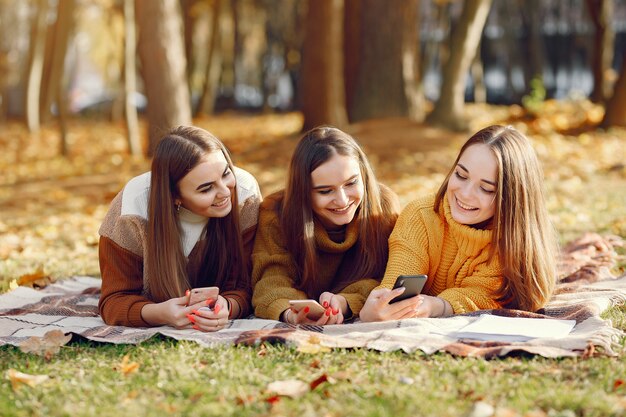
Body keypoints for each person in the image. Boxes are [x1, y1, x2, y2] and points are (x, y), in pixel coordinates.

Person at [360, 125, 558, 322]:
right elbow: (395, 287)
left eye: (486, 188)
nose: (465, 193)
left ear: (512, 199)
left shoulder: (514, 239)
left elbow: (490, 296)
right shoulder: (420, 217)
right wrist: (380, 308)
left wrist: (439, 306)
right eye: (461, 175)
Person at [98, 126, 262, 331]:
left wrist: (228, 307)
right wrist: (158, 313)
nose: (224, 191)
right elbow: (114, 301)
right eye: (206, 188)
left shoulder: (245, 195)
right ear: (174, 196)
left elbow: (246, 284)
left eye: (226, 173)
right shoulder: (131, 209)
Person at [251, 126, 400, 325]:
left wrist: (345, 302)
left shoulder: (384, 206)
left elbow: (388, 278)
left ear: (363, 175)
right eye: (325, 191)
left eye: (351, 183)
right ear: (303, 191)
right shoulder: (276, 213)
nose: (342, 200)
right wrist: (291, 313)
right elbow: (271, 281)